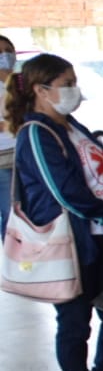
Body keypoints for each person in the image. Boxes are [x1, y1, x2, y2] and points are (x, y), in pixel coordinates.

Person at [5, 54, 103, 371]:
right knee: (76, 322)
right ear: (40, 90)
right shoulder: (36, 133)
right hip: (70, 245)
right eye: (66, 84)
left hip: (96, 238)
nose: (74, 90)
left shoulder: (70, 125)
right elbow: (63, 190)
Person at [0, 34, 16, 236]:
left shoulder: (21, 83)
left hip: (24, 155)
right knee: (11, 214)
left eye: (8, 50)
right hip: (3, 161)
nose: (5, 55)